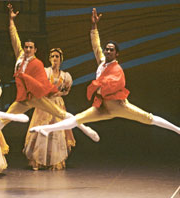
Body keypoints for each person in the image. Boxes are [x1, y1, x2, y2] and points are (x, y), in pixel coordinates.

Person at [0, 4, 99, 150]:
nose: (27, 49)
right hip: (23, 99)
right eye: (26, 46)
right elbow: (14, 38)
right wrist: (11, 21)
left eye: (30, 47)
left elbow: (40, 84)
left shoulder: (38, 63)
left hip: (37, 97)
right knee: (3, 119)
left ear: (35, 50)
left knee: (60, 113)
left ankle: (86, 129)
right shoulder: (20, 58)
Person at [29, 8, 180, 138]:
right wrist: (94, 26)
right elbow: (96, 46)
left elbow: (114, 84)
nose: (107, 51)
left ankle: (177, 129)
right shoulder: (102, 62)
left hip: (118, 105)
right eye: (107, 49)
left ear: (116, 54)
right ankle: (47, 130)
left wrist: (98, 86)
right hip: (102, 107)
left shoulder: (116, 69)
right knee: (78, 119)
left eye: (111, 50)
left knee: (148, 118)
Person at [23, 48, 76, 170]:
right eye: (52, 56)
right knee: (42, 129)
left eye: (57, 56)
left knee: (56, 131)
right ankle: (39, 159)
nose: (54, 59)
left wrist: (60, 94)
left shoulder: (65, 76)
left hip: (57, 104)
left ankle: (54, 160)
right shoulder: (45, 72)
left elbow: (67, 90)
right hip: (45, 103)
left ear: (61, 59)